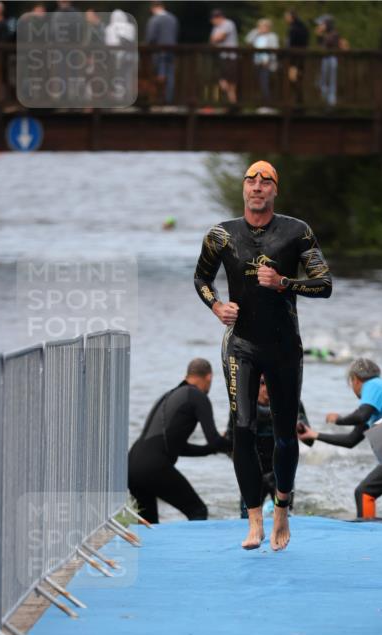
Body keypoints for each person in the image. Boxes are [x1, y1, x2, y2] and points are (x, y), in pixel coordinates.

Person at [193, 160, 332, 551]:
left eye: (265, 181)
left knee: (286, 437)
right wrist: (217, 307)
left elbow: (324, 285)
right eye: (251, 180)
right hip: (241, 345)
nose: (257, 186)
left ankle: (282, 511)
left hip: (285, 346)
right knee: (242, 430)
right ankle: (254, 519)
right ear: (243, 189)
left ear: (275, 190)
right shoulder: (221, 235)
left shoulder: (296, 231)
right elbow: (201, 278)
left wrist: (284, 282)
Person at [298, 358, 382, 522]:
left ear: (355, 380)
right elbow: (351, 440)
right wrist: (314, 435)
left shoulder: (373, 385)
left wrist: (338, 419)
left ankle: (368, 534)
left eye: (351, 383)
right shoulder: (379, 404)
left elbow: (360, 415)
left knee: (364, 492)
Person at [128, 358, 229, 524]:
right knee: (198, 510)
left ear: (187, 375)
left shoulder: (170, 395)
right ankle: (196, 550)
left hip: (132, 465)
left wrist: (211, 450)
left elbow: (179, 448)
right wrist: (231, 444)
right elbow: (214, 439)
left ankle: (152, 550)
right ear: (209, 377)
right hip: (153, 466)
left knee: (149, 524)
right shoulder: (197, 396)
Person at [224, 375, 311, 517]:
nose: (266, 389)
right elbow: (229, 442)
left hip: (280, 474)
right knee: (245, 518)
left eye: (270, 383)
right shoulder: (244, 406)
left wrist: (298, 427)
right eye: (262, 384)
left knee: (286, 517)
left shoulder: (290, 402)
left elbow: (309, 440)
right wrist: (243, 466)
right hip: (253, 473)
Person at [145, 2, 179, 105]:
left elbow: (151, 38)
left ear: (153, 8)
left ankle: (160, 100)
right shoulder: (173, 19)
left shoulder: (154, 20)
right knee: (170, 76)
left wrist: (148, 46)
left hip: (159, 51)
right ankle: (169, 99)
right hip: (171, 50)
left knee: (160, 75)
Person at [245, 17, 278, 109]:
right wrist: (256, 31)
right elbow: (248, 40)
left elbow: (274, 50)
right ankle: (257, 104)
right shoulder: (257, 35)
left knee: (265, 83)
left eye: (264, 26)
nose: (262, 28)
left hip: (267, 64)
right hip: (256, 62)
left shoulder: (272, 36)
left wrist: (268, 60)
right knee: (256, 83)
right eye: (260, 26)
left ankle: (267, 104)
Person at [315, 14, 347, 108]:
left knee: (331, 82)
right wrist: (320, 36)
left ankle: (331, 103)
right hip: (325, 59)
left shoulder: (334, 34)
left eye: (322, 24)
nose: (320, 26)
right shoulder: (328, 34)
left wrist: (320, 35)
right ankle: (327, 102)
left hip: (331, 59)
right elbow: (321, 46)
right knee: (321, 82)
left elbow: (327, 45)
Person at [209, 7, 239, 106]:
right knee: (223, 81)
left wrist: (216, 38)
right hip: (221, 57)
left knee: (231, 82)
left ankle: (232, 104)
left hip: (230, 57)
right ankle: (230, 103)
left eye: (214, 18)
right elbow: (212, 40)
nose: (213, 21)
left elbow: (219, 38)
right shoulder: (216, 28)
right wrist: (215, 39)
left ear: (220, 17)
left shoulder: (228, 24)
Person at [284, 9, 309, 103]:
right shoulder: (303, 27)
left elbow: (291, 44)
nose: (285, 19)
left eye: (286, 17)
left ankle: (297, 103)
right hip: (300, 58)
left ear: (291, 17)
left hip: (294, 59)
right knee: (296, 80)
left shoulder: (294, 29)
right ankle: (298, 102)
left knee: (294, 80)